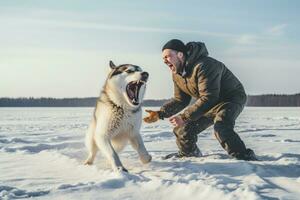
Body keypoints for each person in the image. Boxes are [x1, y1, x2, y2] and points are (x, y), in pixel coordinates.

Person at [144, 39, 256, 160]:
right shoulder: (177, 74)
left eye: (168, 56)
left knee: (221, 126)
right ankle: (189, 154)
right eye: (163, 58)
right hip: (210, 104)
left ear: (180, 55)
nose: (165, 60)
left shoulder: (205, 65)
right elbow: (180, 100)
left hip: (230, 99)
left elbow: (209, 96)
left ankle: (243, 157)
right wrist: (160, 113)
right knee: (183, 129)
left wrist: (184, 117)